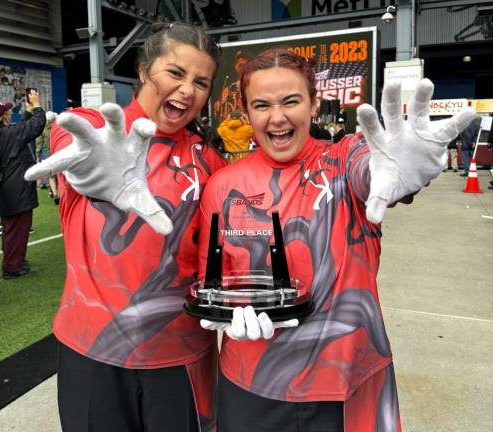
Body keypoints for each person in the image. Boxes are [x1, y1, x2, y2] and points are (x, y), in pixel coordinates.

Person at [197, 49, 477, 432]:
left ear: (314, 104)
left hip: (348, 383)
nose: (277, 117)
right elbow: (213, 283)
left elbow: (373, 171)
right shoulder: (223, 187)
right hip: (251, 381)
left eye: (291, 101)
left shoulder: (344, 159)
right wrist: (226, 317)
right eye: (261, 105)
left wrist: (399, 170)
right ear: (246, 114)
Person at [25, 22, 225, 432]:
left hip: (180, 359)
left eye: (201, 82)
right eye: (175, 73)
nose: (188, 90)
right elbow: (70, 133)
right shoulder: (98, 130)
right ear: (143, 70)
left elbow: (219, 260)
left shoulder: (210, 165)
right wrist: (87, 167)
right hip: (91, 351)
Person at [0, 94, 45, 280]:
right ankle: (12, 268)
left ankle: (14, 262)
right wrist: (38, 106)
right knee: (17, 229)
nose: (10, 113)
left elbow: (20, 130)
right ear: (4, 117)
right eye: (7, 112)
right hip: (16, 188)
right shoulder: (8, 133)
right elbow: (35, 126)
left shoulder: (5, 133)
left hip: (8, 189)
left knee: (13, 228)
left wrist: (27, 112)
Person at [35, 111, 60, 204]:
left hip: (49, 154)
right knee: (61, 175)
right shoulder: (59, 127)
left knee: (52, 175)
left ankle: (55, 194)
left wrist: (38, 156)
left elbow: (38, 144)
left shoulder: (43, 129)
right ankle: (61, 194)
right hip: (60, 154)